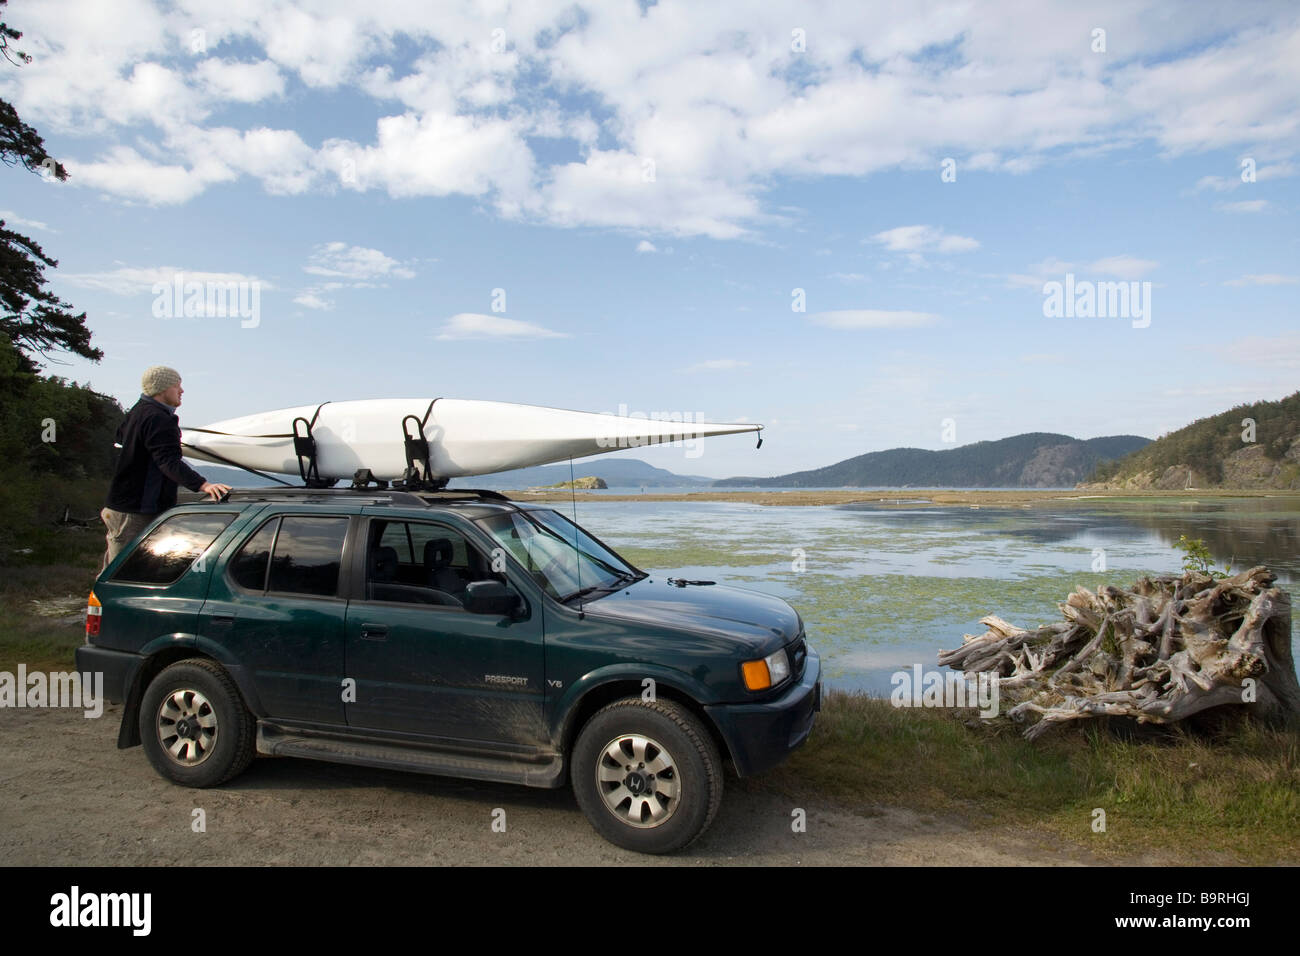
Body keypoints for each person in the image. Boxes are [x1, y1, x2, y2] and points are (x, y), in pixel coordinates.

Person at [100, 366, 231, 570]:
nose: (182, 391)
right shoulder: (159, 418)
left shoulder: (138, 411)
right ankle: (102, 603)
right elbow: (168, 461)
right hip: (135, 511)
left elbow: (120, 437)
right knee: (121, 573)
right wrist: (203, 485)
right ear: (162, 388)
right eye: (177, 385)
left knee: (131, 570)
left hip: (123, 508)